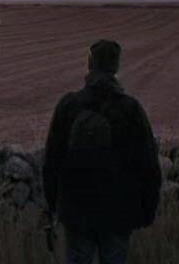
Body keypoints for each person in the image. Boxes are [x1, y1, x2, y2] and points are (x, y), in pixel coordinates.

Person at [42, 40, 161, 264]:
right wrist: (147, 211)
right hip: (118, 213)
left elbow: (51, 161)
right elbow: (148, 165)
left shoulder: (69, 105)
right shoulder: (130, 109)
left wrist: (52, 206)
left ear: (90, 64)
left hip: (76, 211)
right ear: (115, 67)